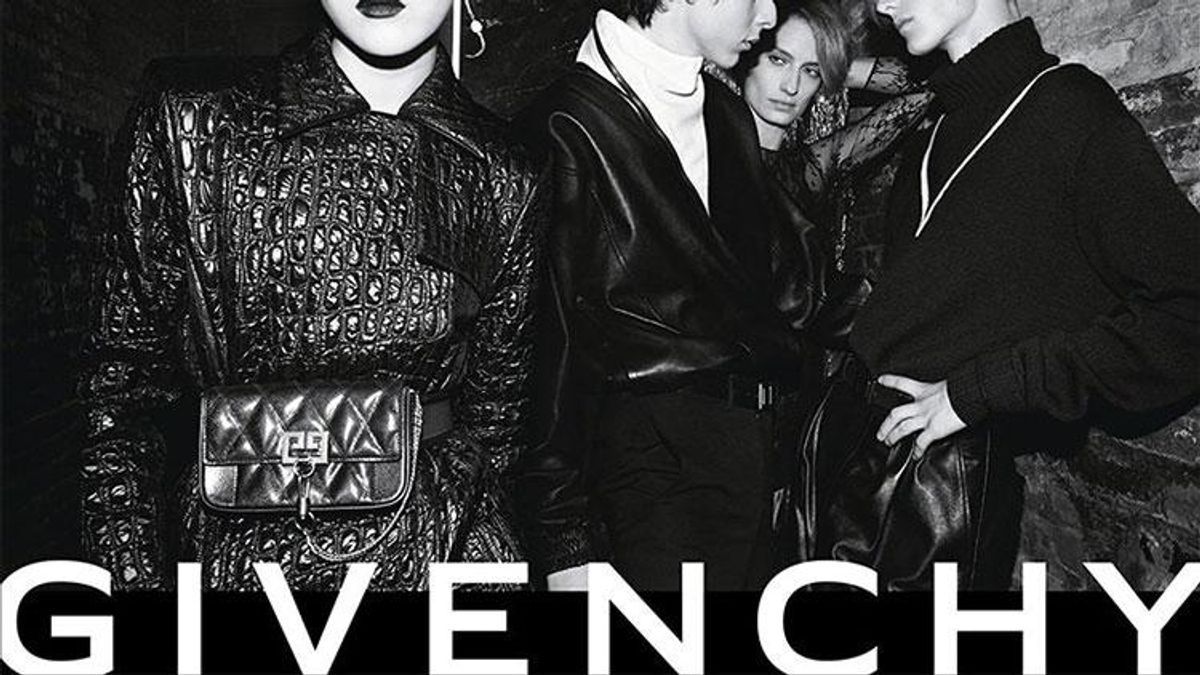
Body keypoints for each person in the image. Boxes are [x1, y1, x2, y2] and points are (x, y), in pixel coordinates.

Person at [79, 0, 553, 590]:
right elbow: (117, 406)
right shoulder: (190, 120)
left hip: (444, 567)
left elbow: (497, 436)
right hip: (232, 565)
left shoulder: (507, 171)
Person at [810, 0, 1200, 589]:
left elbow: (1187, 314)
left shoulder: (1068, 108)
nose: (884, 5)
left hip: (936, 497)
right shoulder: (932, 135)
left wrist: (982, 390)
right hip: (848, 458)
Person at [518, 0, 871, 591]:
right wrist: (561, 540)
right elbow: (545, 348)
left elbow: (787, 291)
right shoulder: (565, 124)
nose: (768, 14)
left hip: (742, 453)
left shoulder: (726, 115)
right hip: (641, 467)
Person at [734, 0, 931, 268]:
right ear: (745, 58)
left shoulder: (811, 171)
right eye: (778, 60)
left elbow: (929, 87)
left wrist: (834, 69)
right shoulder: (703, 152)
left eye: (810, 71)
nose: (792, 86)